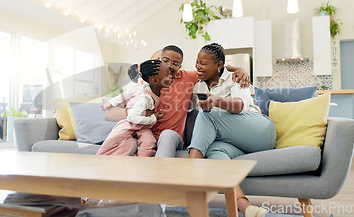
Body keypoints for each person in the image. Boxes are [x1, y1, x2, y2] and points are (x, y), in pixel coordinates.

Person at [104, 45, 251, 158]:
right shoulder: (144, 83)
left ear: (180, 66)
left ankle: (162, 188)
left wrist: (240, 69)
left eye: (175, 63)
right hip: (143, 133)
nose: (170, 66)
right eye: (165, 61)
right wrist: (135, 113)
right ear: (159, 61)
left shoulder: (188, 77)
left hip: (171, 136)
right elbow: (109, 114)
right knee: (128, 145)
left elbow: (213, 69)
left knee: (167, 135)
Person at [188, 43, 276, 217]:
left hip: (260, 131)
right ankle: (246, 207)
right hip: (234, 142)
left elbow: (241, 105)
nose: (198, 66)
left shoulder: (235, 77)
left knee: (207, 115)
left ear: (219, 65)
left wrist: (217, 101)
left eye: (203, 63)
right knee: (214, 152)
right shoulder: (198, 86)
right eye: (197, 62)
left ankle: (191, 178)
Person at [97, 59, 172, 157]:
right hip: (129, 124)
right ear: (155, 81)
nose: (171, 76)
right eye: (167, 75)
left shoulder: (147, 87)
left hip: (142, 126)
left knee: (149, 143)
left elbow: (128, 93)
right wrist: (154, 117)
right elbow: (132, 117)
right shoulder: (144, 98)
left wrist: (111, 102)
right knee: (112, 142)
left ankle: (140, 163)